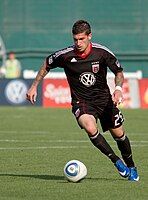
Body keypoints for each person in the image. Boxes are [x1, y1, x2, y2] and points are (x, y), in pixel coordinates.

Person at [26, 20, 139, 181]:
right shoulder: (65, 55)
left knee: (119, 135)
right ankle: (116, 161)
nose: (78, 43)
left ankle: (131, 165)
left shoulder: (102, 53)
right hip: (82, 101)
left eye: (81, 39)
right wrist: (34, 86)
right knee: (90, 127)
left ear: (89, 36)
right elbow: (47, 63)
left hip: (105, 100)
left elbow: (119, 73)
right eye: (75, 39)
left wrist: (118, 89)